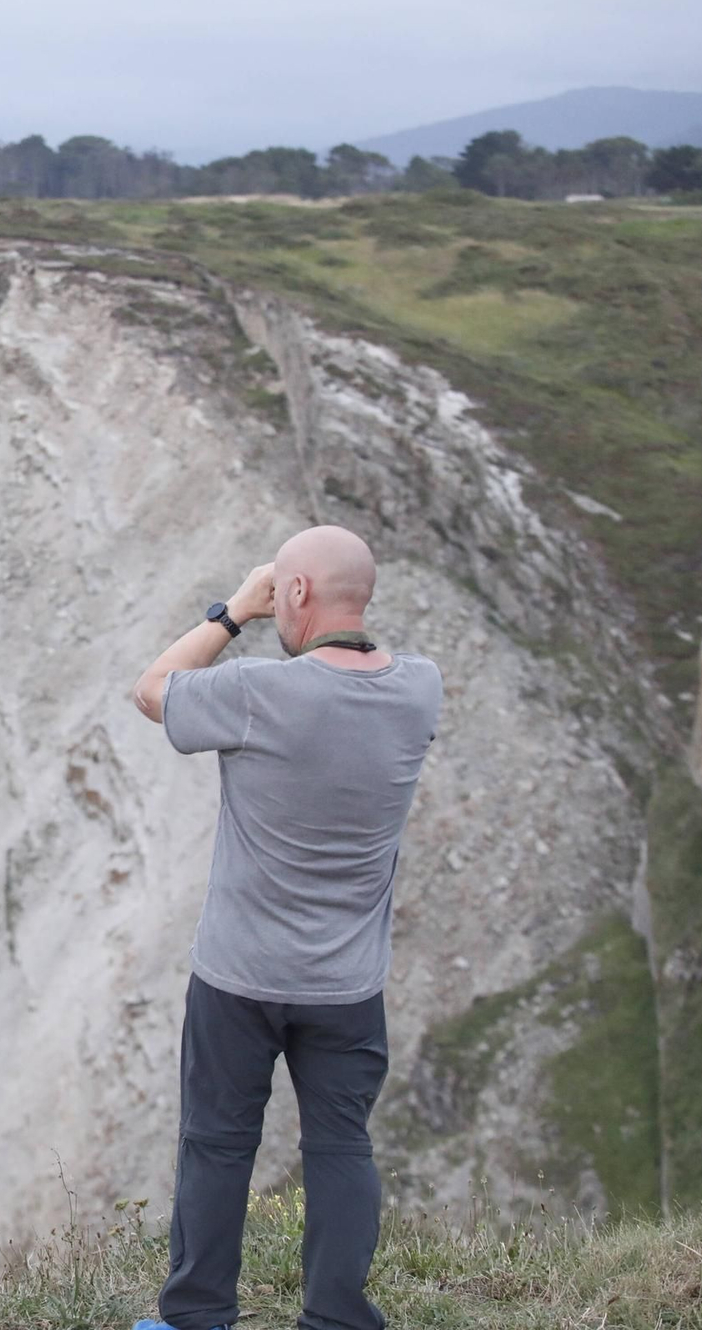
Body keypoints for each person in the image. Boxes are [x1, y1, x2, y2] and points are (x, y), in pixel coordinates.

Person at [124, 525, 443, 1330]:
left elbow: (154, 688)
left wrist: (234, 611)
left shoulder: (259, 691)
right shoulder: (420, 690)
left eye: (282, 593)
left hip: (239, 974)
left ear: (294, 596)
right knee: (340, 1148)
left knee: (218, 1144)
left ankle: (196, 1317)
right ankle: (336, 1320)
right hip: (347, 983)